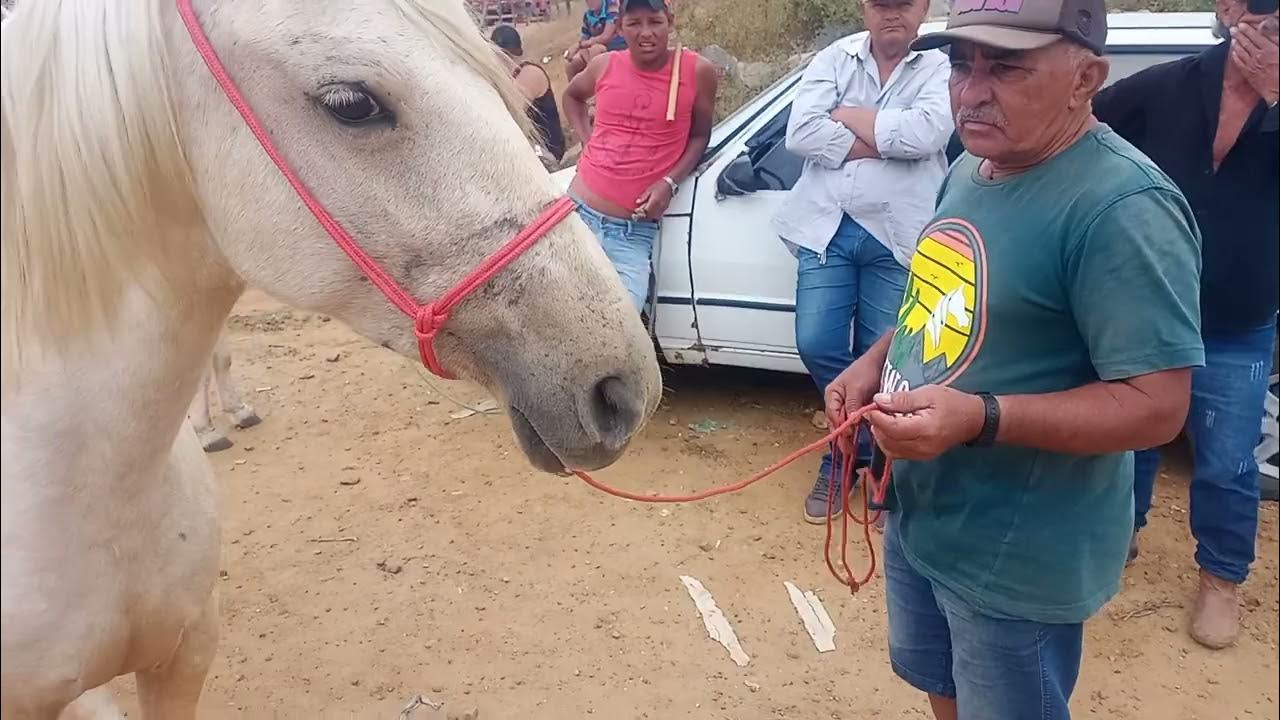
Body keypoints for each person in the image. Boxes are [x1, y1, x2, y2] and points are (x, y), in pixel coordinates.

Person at [825, 1, 1205, 717]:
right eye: (962, 64)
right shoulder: (975, 163)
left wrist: (979, 418)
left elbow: (1158, 405)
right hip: (925, 513)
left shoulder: (1122, 207)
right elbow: (938, 292)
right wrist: (873, 363)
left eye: (1006, 67)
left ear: (1086, 77)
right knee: (941, 688)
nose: (971, 90)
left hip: (1016, 555)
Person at [1091, 0, 1279, 650]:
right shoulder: (1171, 84)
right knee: (1134, 439)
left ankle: (1221, 580)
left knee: (1227, 461)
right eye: (1267, 12)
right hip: (1148, 309)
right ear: (1231, 11)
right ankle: (1122, 539)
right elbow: (1085, 125)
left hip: (1239, 321)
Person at [772, 0, 953, 524]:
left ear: (923, 8)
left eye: (904, 3)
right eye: (880, 3)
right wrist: (886, 138)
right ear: (864, 8)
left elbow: (928, 135)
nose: (891, 13)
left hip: (900, 238)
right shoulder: (834, 57)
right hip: (827, 226)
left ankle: (864, 462)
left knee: (890, 364)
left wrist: (848, 117)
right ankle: (854, 447)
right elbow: (799, 133)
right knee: (817, 343)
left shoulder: (941, 64)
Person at [562, 0, 717, 311]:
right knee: (560, 323)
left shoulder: (697, 70)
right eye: (634, 23)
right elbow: (572, 96)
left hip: (631, 233)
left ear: (670, 22)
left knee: (618, 329)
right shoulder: (605, 65)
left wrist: (669, 182)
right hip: (576, 217)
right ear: (619, 28)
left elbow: (700, 136)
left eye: (654, 21)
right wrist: (587, 141)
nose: (645, 33)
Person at [491, 24, 567, 168]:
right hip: (531, 147)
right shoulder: (514, 75)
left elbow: (511, 111)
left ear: (505, 53)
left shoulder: (529, 73)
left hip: (545, 150)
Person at [565, 0, 628, 81]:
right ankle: (574, 91)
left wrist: (581, 45)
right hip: (594, 48)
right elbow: (584, 39)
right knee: (572, 62)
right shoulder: (588, 16)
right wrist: (579, 50)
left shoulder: (612, 7)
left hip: (617, 46)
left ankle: (597, 87)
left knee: (596, 50)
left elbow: (605, 37)